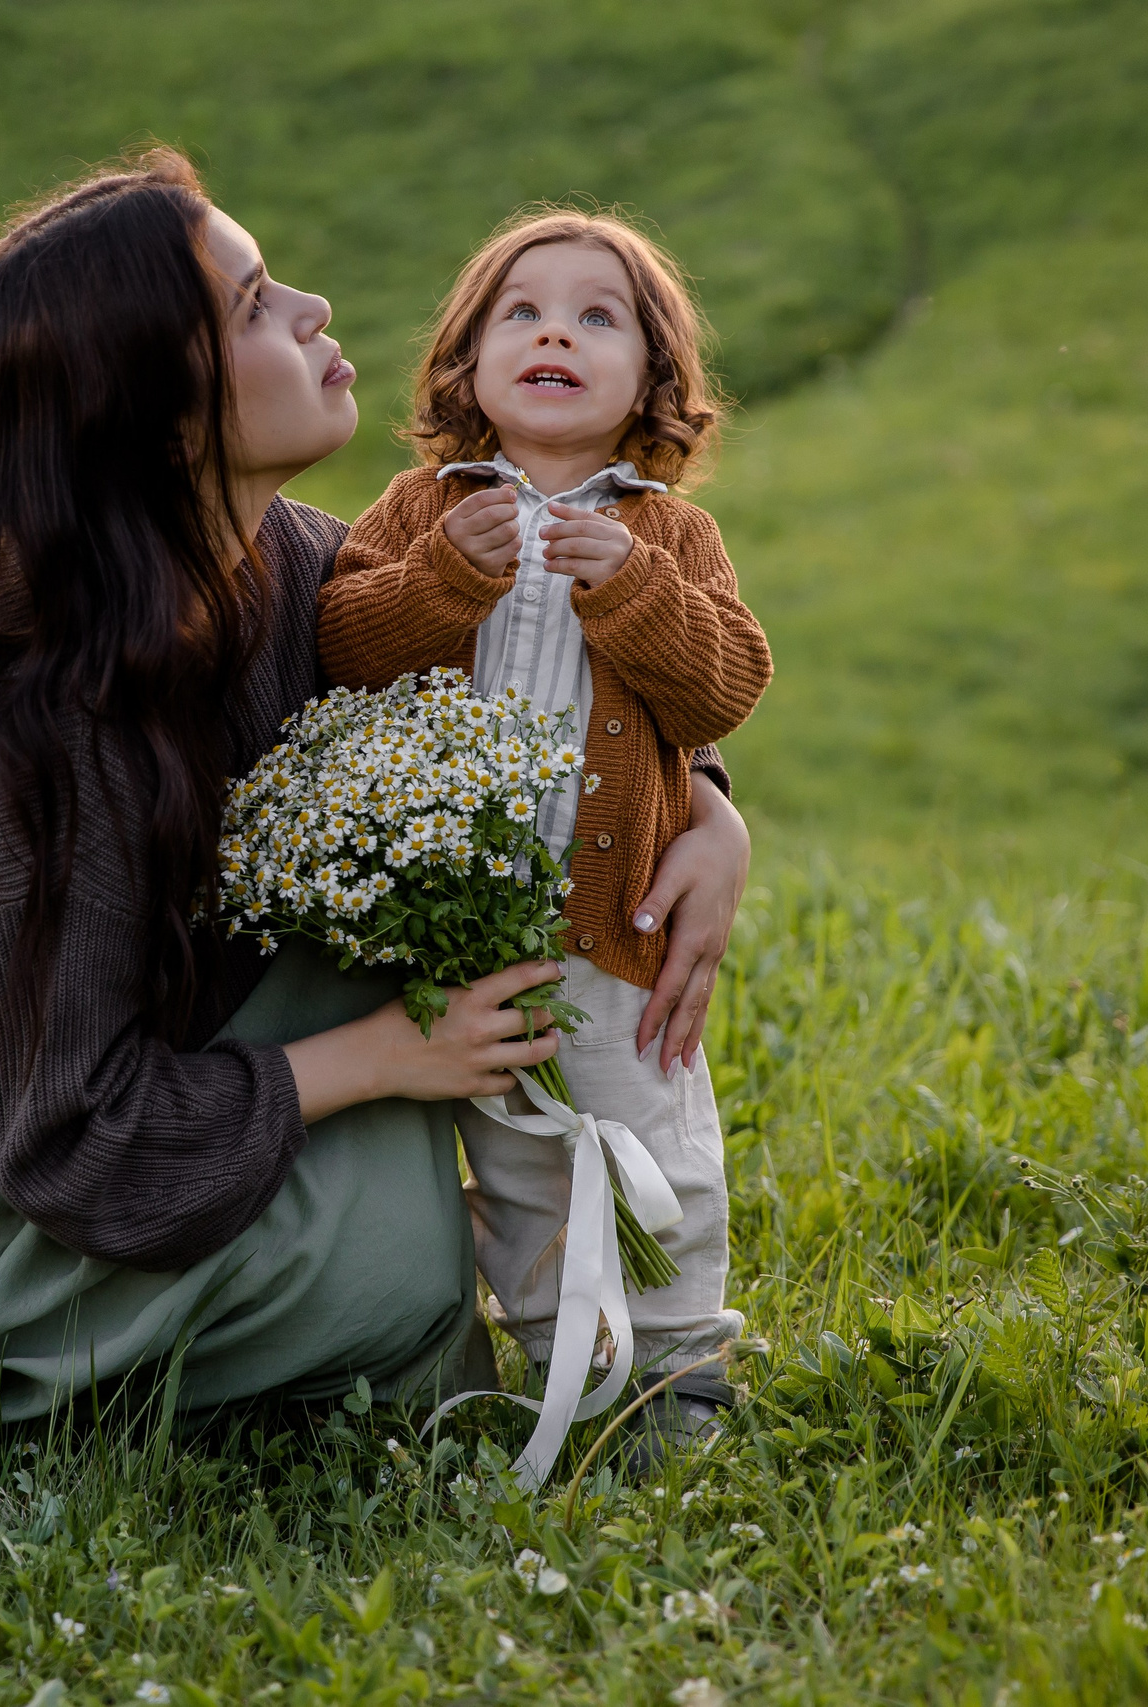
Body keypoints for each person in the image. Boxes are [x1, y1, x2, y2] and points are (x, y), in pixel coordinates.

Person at [0, 153, 754, 1447]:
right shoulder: (47, 715)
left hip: (3, 1076)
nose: (317, 310)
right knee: (391, 1267)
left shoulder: (266, 552)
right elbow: (72, 1137)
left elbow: (505, 673)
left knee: (390, 1129)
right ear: (159, 412)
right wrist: (383, 1058)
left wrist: (709, 813)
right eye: (258, 303)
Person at [316, 207, 771, 1454]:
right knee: (516, 1162)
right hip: (450, 930)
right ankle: (560, 1366)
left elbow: (723, 690)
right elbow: (340, 649)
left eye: (595, 318)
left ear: (652, 381)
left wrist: (630, 585)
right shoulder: (422, 509)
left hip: (612, 926)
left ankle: (675, 1374)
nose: (553, 333)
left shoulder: (670, 535)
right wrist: (439, 581)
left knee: (648, 1137)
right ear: (465, 362)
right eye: (520, 312)